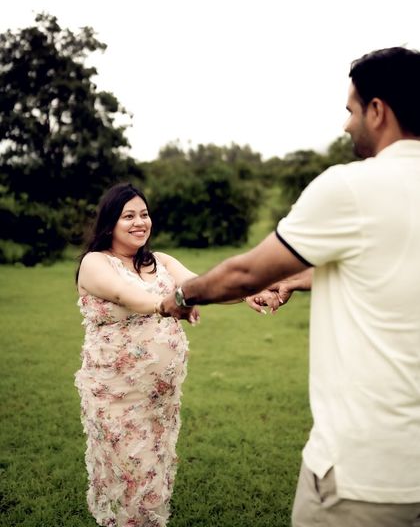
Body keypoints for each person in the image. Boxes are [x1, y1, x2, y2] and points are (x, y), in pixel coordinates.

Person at [159, 47, 420, 526]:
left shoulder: (352, 187)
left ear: (378, 111)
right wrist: (297, 281)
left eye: (351, 110)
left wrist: (181, 295)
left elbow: (245, 274)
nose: (346, 125)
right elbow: (383, 269)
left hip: (366, 475)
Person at [74, 183, 201, 527]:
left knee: (154, 473)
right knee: (130, 475)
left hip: (160, 398)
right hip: (115, 395)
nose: (139, 222)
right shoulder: (95, 263)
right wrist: (168, 305)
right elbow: (124, 294)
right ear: (109, 224)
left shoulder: (161, 262)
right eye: (128, 215)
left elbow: (202, 285)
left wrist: (252, 292)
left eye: (143, 214)